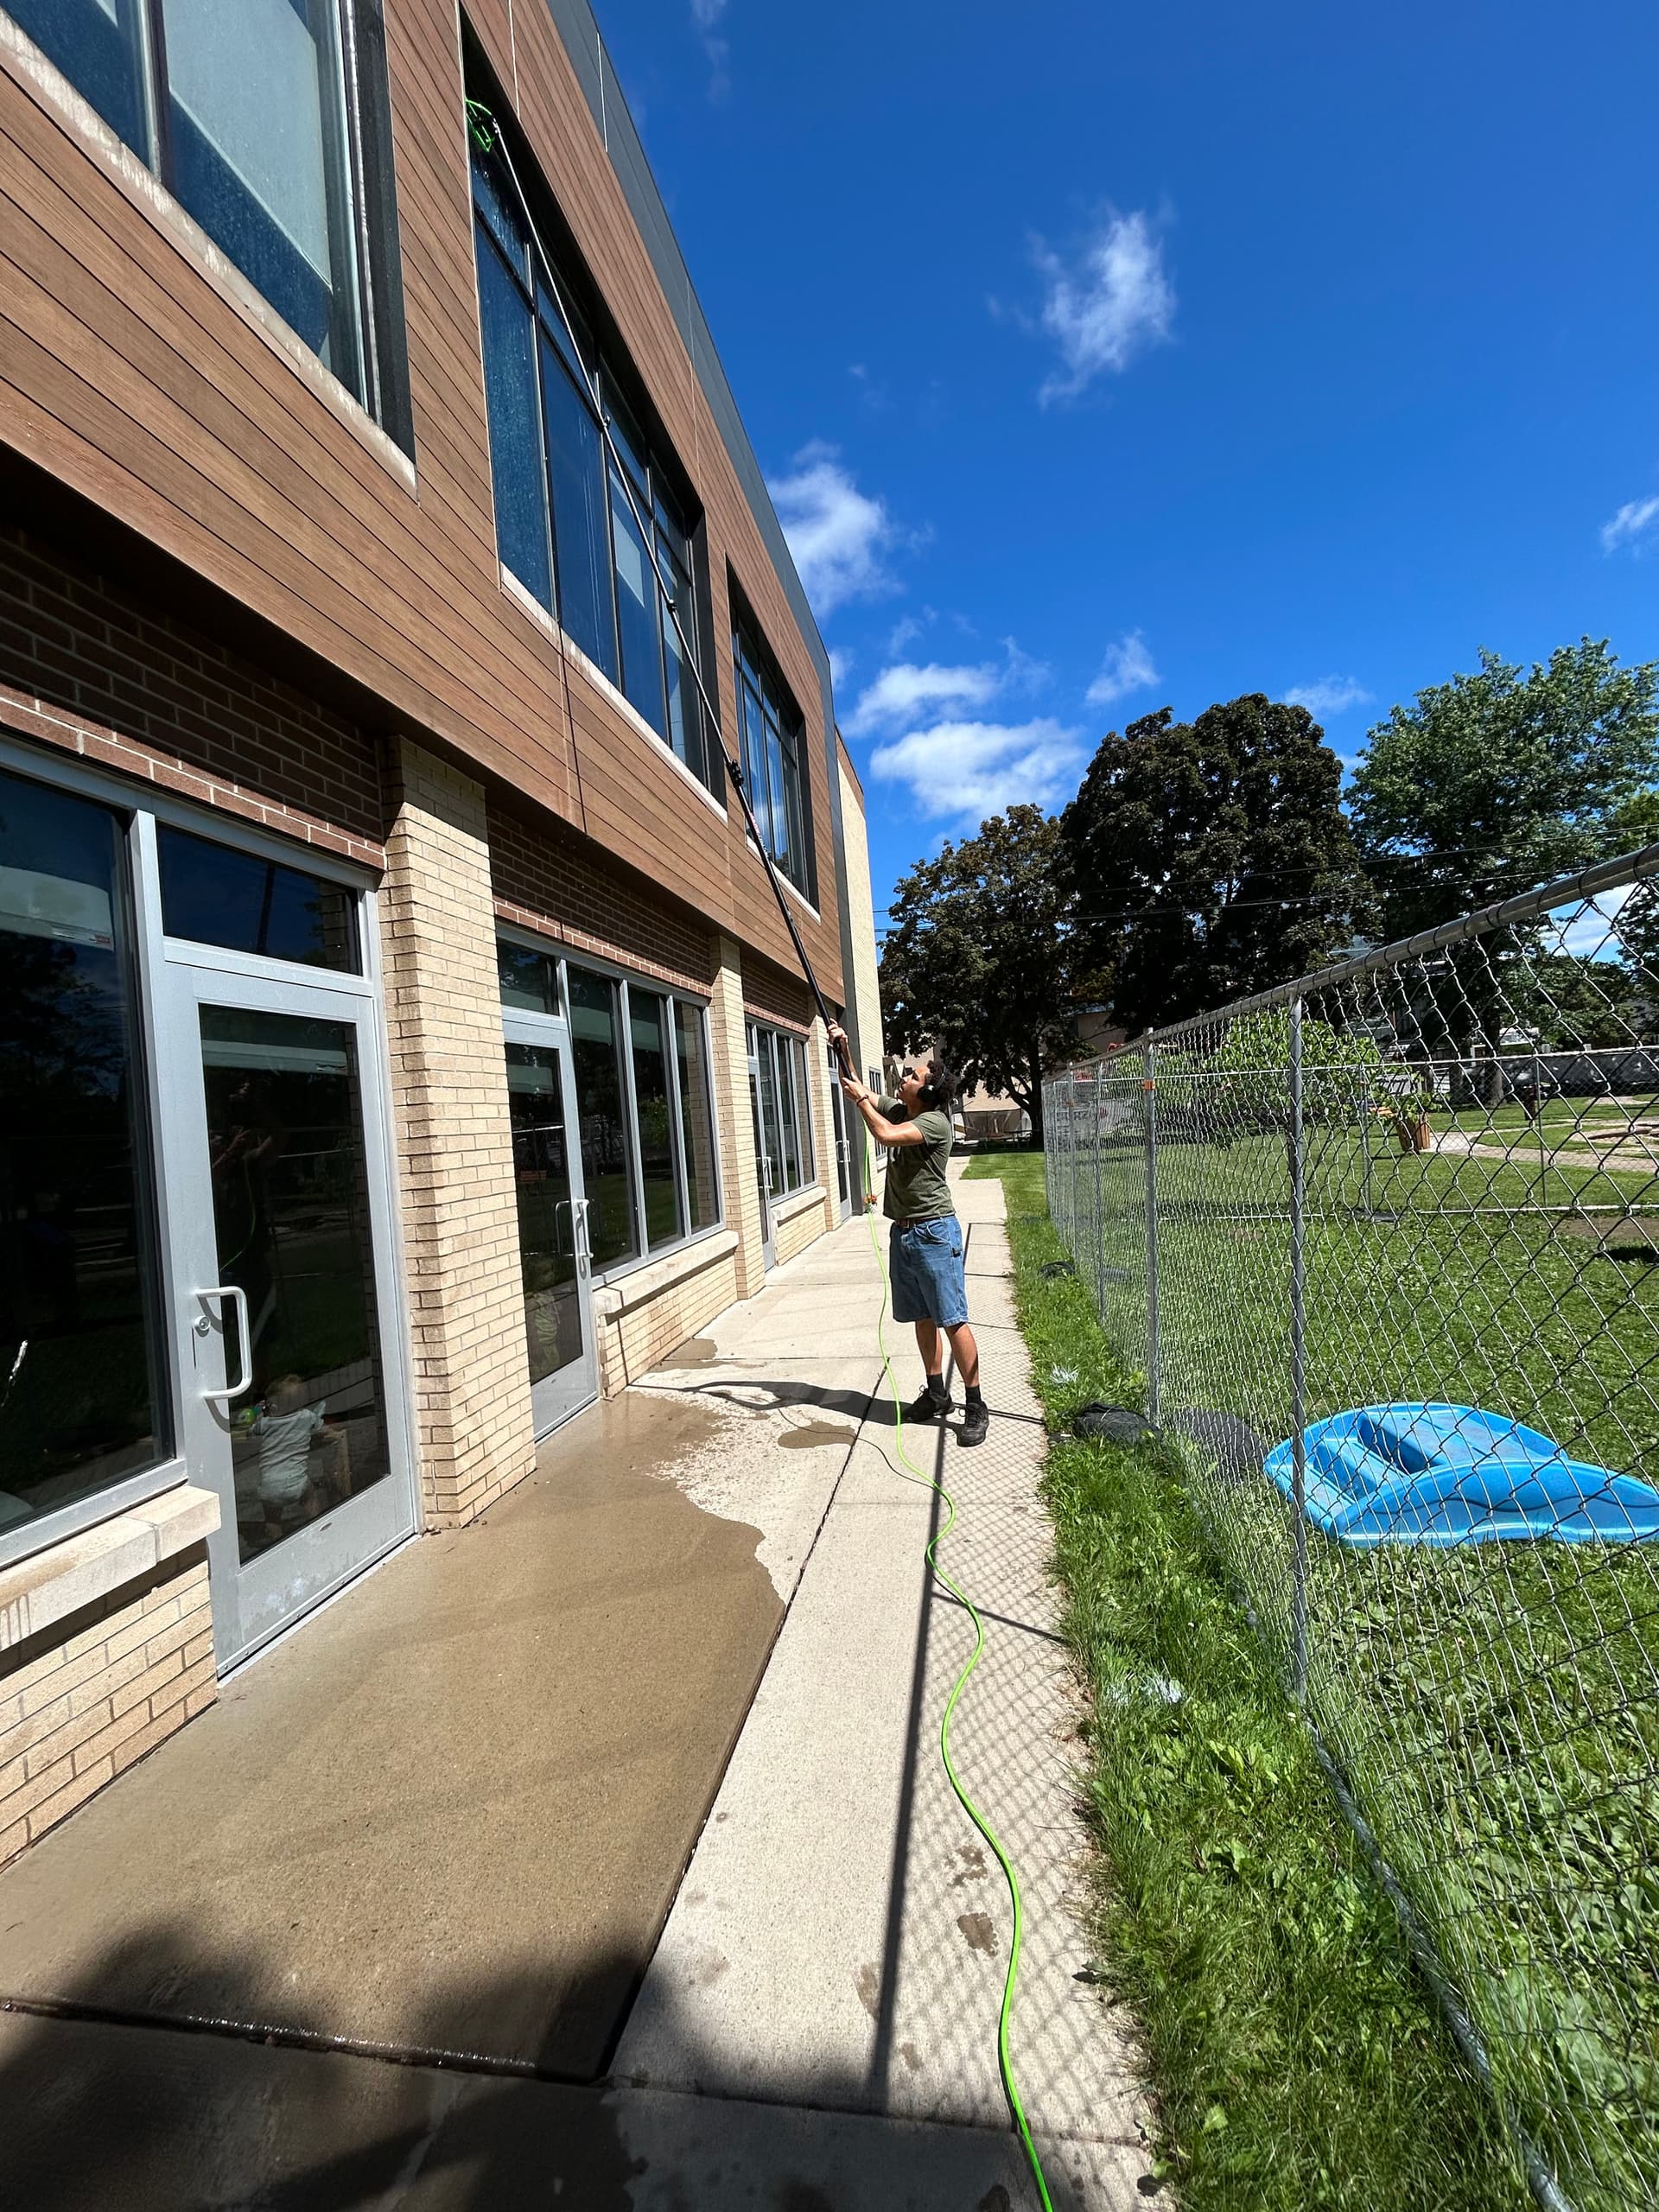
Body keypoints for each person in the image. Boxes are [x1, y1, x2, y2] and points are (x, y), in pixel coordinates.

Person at [828, 1025, 988, 1446]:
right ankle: (937, 1394)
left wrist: (862, 1100)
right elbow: (859, 1086)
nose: (904, 1078)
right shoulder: (905, 1110)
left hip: (935, 1233)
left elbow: (880, 1132)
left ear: (929, 1092)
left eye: (913, 1077)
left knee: (952, 1319)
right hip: (905, 1234)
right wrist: (843, 1047)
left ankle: (975, 1405)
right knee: (922, 1318)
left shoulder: (934, 1123)